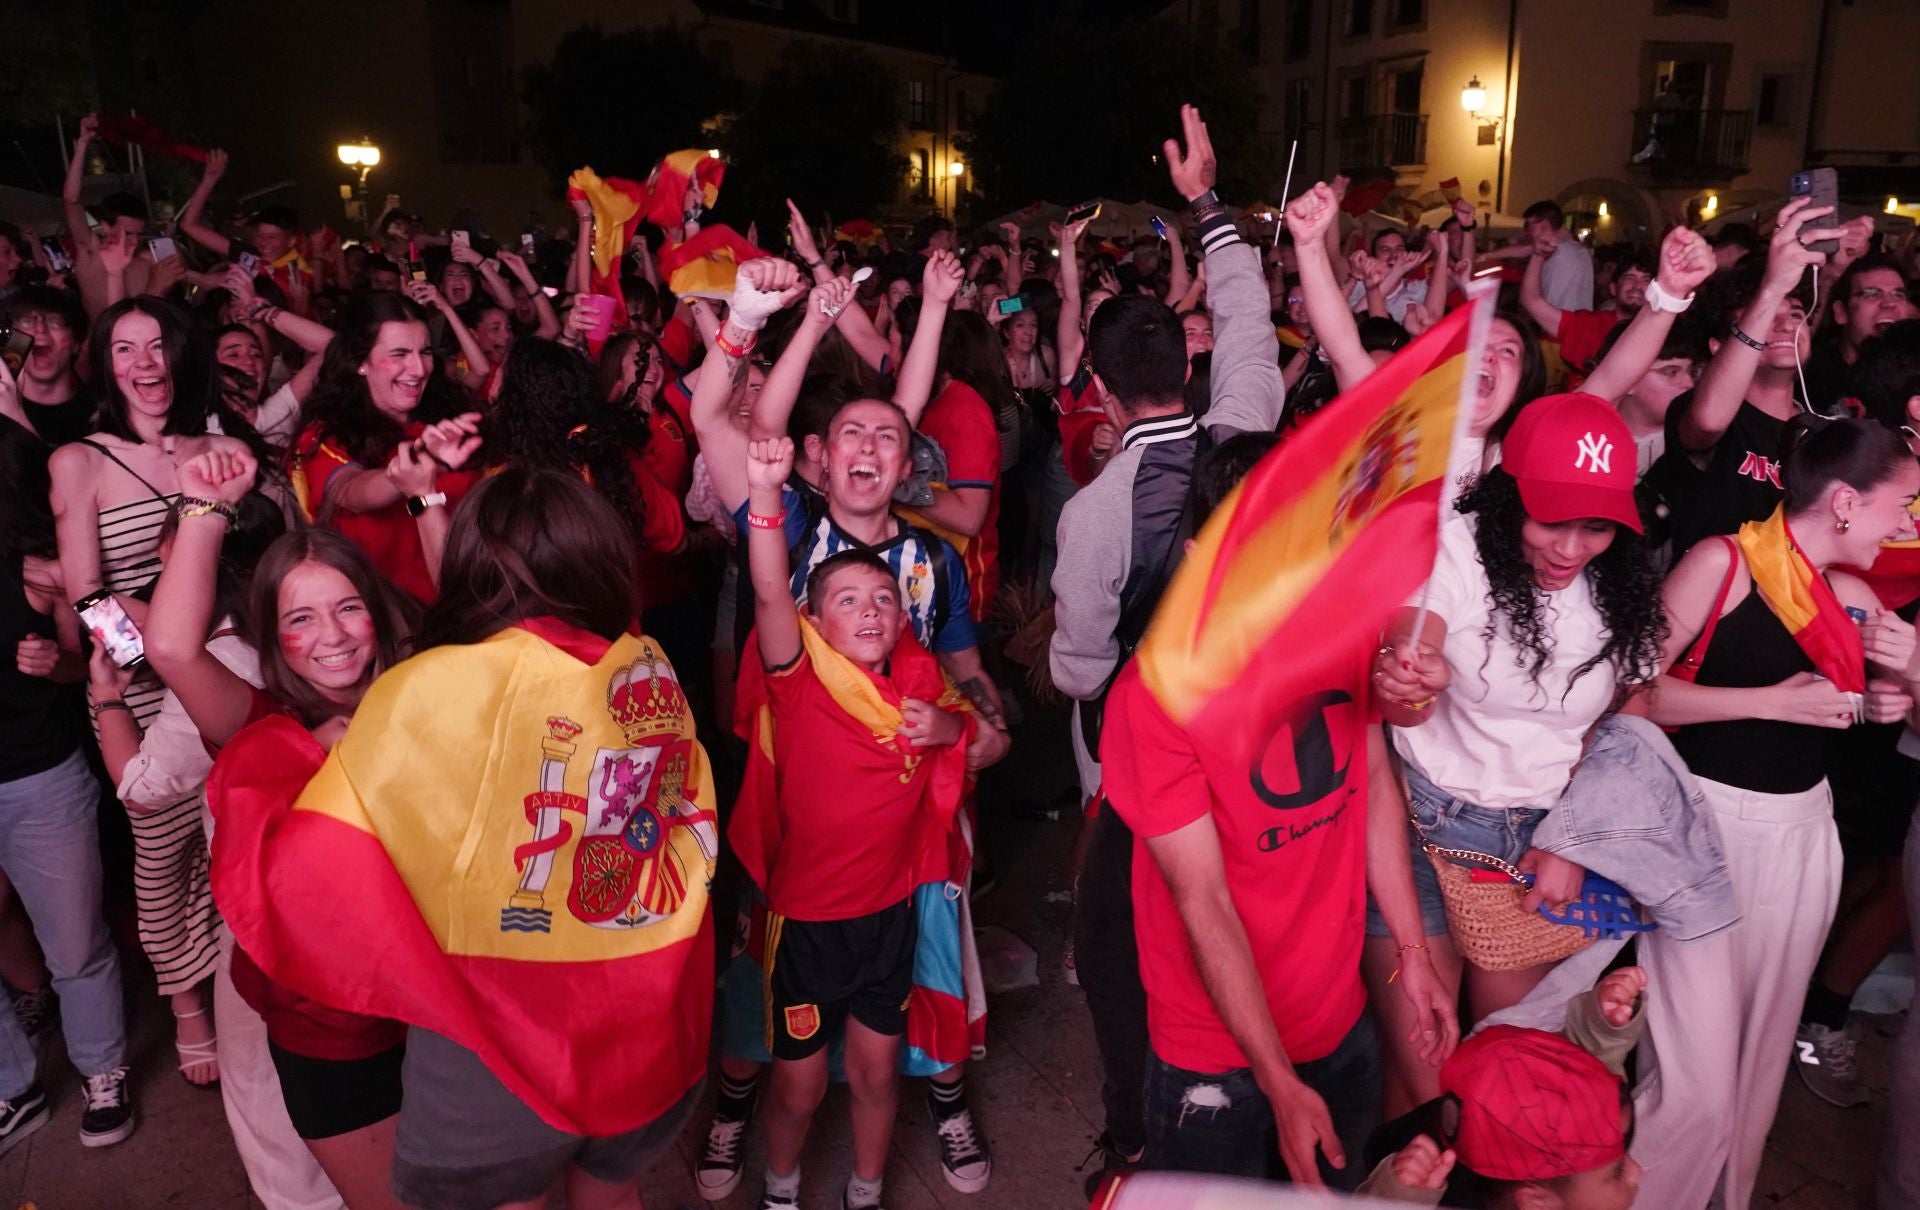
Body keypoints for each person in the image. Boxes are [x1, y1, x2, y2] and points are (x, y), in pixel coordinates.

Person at [211, 464, 719, 1210]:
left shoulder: (425, 689)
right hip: (648, 1023)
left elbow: (303, 870)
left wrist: (265, 761)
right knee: (613, 1194)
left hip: (510, 1045)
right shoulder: (644, 665)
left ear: (474, 569)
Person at [694, 259, 1009, 1201]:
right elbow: (729, 423)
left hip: (908, 819)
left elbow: (968, 675)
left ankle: (944, 1099)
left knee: (922, 974)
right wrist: (790, 322)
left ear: (906, 464)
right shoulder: (784, 525)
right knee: (768, 988)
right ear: (823, 459)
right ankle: (733, 1110)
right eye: (850, 439)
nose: (869, 450)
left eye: (889, 441)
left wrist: (983, 729)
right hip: (792, 809)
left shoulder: (931, 561)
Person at [1050, 105, 1291, 1189]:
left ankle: (1140, 1138)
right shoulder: (1245, 420)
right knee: (1241, 913)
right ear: (1186, 363)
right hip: (1257, 729)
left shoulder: (1094, 510)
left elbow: (1078, 665)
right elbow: (1247, 311)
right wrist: (1206, 202)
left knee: (1125, 944)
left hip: (1145, 759)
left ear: (1098, 388)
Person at [1645, 416, 1920, 1208]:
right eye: (1899, 504)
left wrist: (1889, 698)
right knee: (1691, 1082)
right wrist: (1767, 702)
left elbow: (1872, 709)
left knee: (1760, 1067)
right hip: (1705, 828)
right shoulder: (1722, 563)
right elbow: (1632, 691)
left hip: (1805, 834)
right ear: (1843, 503)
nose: (1906, 523)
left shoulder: (1854, 597)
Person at [1370, 395, 1667, 1112]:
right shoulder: (1458, 547)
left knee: (1506, 1070)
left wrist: (1573, 838)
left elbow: (1637, 706)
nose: (1570, 548)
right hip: (1411, 822)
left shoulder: (1621, 580)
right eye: (1551, 521)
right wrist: (1412, 677)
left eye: (1595, 526)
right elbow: (1410, 648)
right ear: (1508, 500)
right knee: (1423, 1076)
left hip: (1533, 847)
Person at [150, 451, 420, 1210]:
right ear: (271, 634)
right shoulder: (263, 726)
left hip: (443, 1019)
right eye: (300, 616)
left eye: (346, 607)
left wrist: (425, 489)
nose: (330, 635)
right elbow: (171, 649)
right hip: (335, 1035)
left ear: (377, 606)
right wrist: (205, 508)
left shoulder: (427, 698)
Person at [734, 433, 975, 1210]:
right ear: (813, 621)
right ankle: (780, 1190)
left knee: (877, 1075)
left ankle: (865, 1193)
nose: (870, 610)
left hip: (890, 921)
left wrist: (952, 731)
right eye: (847, 600)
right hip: (806, 928)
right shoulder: (799, 683)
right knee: (799, 1088)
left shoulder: (919, 694)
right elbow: (771, 593)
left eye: (884, 601)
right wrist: (767, 497)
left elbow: (972, 739)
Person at [49, 296, 251, 1082]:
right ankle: (186, 1001)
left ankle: (242, 982)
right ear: (104, 364)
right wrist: (167, 650)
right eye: (126, 349)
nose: (146, 363)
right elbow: (87, 595)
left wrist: (211, 646)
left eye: (159, 346)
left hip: (235, 663)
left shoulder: (223, 446)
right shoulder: (81, 461)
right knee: (161, 849)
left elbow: (250, 563)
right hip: (140, 680)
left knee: (237, 831)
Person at [0, 417, 135, 1150]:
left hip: (39, 775)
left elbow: (106, 658)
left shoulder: (42, 566)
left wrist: (58, 664)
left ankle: (102, 1070)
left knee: (75, 941)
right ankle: (12, 1086)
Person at [1654, 196, 1830, 556]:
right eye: (1766, 315)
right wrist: (1771, 288)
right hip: (1715, 604)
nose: (1784, 325)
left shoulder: (1827, 433)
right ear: (1719, 346)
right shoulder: (1702, 411)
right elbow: (1706, 422)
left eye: (1796, 314)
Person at [289, 292, 482, 603]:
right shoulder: (326, 434)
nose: (419, 369)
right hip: (393, 619)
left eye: (425, 352)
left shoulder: (445, 420)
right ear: (361, 362)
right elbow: (352, 491)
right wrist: (407, 474)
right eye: (400, 353)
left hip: (471, 604)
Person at [1, 286, 96, 446]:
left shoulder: (101, 414)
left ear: (76, 344)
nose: (40, 329)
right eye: (26, 321)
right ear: (12, 342)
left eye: (55, 322)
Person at [1522, 201, 1594, 314]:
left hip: (1560, 326)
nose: (1526, 233)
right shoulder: (1577, 250)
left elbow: (1543, 304)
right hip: (1575, 324)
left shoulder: (1559, 251)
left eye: (1529, 226)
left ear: (1543, 225)